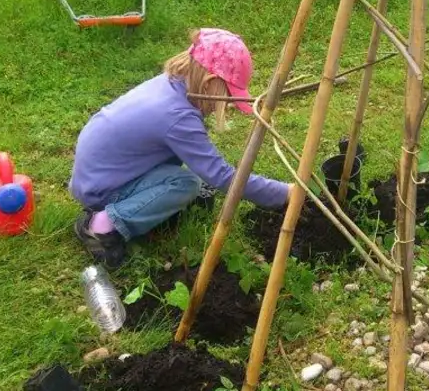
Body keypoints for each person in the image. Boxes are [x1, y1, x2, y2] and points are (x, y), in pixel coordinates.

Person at [70, 29, 289, 267]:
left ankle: (129, 207)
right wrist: (285, 193)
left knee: (188, 175)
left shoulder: (171, 85)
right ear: (209, 84)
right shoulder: (177, 117)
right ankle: (102, 225)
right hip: (100, 188)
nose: (229, 105)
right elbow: (223, 176)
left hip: (97, 172)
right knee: (186, 184)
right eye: (227, 96)